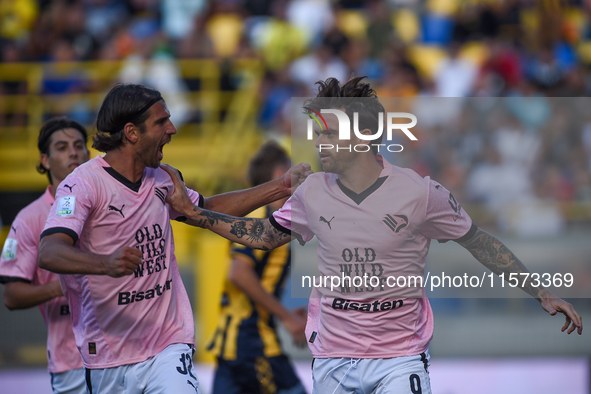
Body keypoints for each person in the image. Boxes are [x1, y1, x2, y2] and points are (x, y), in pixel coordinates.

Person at [161, 76, 583, 394]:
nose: (319, 143)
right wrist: (196, 216)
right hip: (332, 358)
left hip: (399, 358)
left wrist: (540, 291)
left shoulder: (421, 193)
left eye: (328, 134)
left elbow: (480, 242)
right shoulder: (311, 192)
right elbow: (263, 235)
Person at [37, 83, 312, 394]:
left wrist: (278, 187)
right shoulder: (83, 185)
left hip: (168, 345)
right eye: (161, 122)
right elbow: (49, 252)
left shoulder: (164, 178)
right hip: (109, 355)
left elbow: (206, 208)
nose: (172, 128)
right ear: (132, 132)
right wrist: (105, 263)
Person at [207, 141, 307, 394]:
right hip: (253, 342)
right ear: (279, 175)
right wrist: (286, 318)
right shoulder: (262, 222)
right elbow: (239, 272)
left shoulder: (276, 219)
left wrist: (286, 313)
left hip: (232, 344)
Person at [0, 117, 89, 394]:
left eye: (78, 145)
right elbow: (11, 296)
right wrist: (61, 286)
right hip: (72, 363)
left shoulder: (108, 203)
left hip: (127, 353)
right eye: (62, 147)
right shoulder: (29, 219)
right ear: (45, 160)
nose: (73, 152)